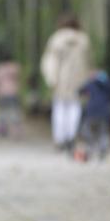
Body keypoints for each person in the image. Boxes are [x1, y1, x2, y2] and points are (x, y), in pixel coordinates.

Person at [40, 14, 93, 152]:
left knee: (59, 109)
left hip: (61, 80)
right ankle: (71, 137)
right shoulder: (83, 40)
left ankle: (60, 139)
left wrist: (51, 79)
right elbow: (88, 62)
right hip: (79, 80)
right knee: (75, 108)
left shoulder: (56, 39)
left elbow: (50, 61)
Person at [79, 71, 110, 160]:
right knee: (103, 133)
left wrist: (89, 80)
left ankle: (91, 147)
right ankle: (102, 150)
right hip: (104, 113)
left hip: (91, 112)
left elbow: (80, 91)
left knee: (86, 130)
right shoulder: (109, 85)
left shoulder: (91, 83)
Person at [0, 52, 23, 137]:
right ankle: (16, 130)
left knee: (3, 112)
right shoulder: (15, 67)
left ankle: (2, 129)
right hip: (13, 92)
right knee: (15, 111)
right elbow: (18, 78)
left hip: (2, 93)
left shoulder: (0, 69)